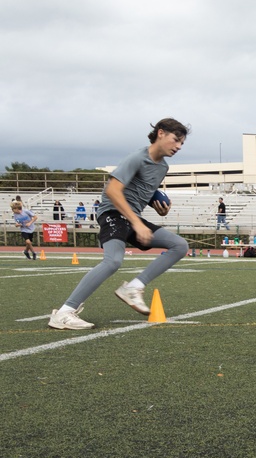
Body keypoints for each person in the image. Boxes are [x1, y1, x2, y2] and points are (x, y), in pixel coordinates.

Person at [48, 118, 190, 330]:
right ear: (161, 133)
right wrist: (137, 223)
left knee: (180, 246)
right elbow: (113, 191)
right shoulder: (137, 158)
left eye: (182, 143)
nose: (178, 146)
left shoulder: (163, 167)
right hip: (113, 213)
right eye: (176, 140)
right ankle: (64, 312)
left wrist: (157, 205)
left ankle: (133, 287)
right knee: (113, 261)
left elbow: (142, 190)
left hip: (132, 217)